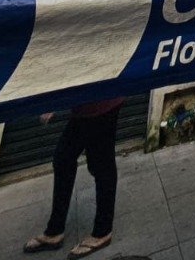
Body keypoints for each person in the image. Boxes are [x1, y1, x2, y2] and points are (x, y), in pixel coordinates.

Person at [23, 98, 124, 257]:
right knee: (64, 160)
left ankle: (102, 232)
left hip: (100, 103)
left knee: (100, 165)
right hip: (86, 106)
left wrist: (55, 103)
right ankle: (55, 230)